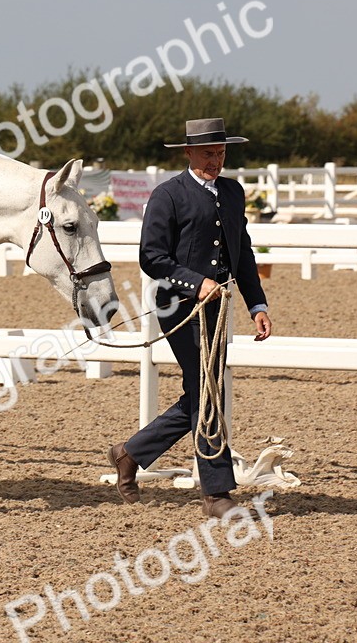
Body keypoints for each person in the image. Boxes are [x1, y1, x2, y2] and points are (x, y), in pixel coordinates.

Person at [107, 118, 273, 520]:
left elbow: (243, 253)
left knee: (203, 393)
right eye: (207, 154)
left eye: (220, 153)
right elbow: (152, 257)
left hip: (219, 310)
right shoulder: (167, 196)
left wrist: (257, 305)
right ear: (188, 153)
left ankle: (130, 453)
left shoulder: (233, 192)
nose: (215, 160)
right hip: (179, 309)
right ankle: (216, 494)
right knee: (206, 392)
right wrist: (195, 282)